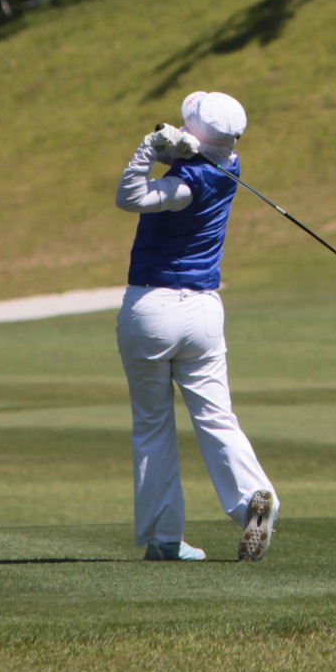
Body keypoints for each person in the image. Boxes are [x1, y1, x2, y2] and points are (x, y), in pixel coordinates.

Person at [116, 89, 280, 562]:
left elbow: (131, 197)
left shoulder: (185, 185)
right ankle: (252, 497)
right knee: (215, 416)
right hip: (204, 313)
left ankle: (165, 539)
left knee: (152, 426)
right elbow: (195, 149)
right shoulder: (232, 164)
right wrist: (176, 146)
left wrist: (149, 149)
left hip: (152, 307)